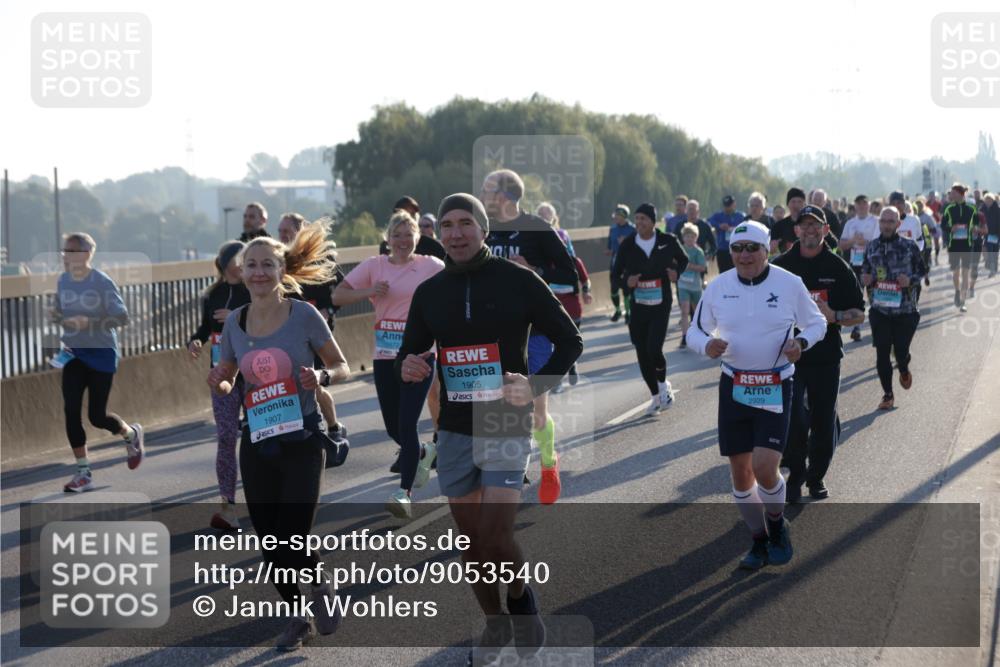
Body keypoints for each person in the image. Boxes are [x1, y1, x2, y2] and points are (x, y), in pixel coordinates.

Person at [396, 193, 582, 664]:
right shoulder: (430, 293)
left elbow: (569, 340)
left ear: (483, 229)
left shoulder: (518, 280)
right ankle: (495, 621)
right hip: (456, 428)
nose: (456, 233)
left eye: (466, 223)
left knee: (497, 536)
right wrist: (412, 367)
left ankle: (520, 598)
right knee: (472, 544)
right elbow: (411, 353)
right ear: (439, 233)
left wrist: (535, 384)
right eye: (448, 225)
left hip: (504, 420)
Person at [207, 220, 350, 651]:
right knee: (270, 545)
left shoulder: (303, 314)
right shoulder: (236, 321)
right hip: (258, 440)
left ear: (281, 268)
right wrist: (223, 381)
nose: (258, 272)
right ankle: (296, 616)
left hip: (302, 440)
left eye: (267, 264)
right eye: (251, 265)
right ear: (241, 271)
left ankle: (320, 580)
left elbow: (341, 366)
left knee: (293, 532)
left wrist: (319, 375)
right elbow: (232, 374)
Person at [687, 220, 827, 570]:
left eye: (752, 248)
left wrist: (802, 342)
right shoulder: (718, 287)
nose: (744, 255)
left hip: (775, 384)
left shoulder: (789, 283)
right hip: (734, 384)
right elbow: (694, 330)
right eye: (737, 249)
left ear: (767, 250)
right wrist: (707, 344)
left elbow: (817, 323)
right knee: (740, 472)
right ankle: (758, 541)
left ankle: (777, 524)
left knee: (765, 466)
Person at [333, 211, 445, 518]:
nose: (402, 240)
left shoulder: (431, 266)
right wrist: (369, 291)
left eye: (408, 234)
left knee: (407, 423)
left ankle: (403, 493)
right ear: (387, 239)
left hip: (420, 355)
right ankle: (421, 452)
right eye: (397, 235)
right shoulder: (374, 266)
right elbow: (338, 295)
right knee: (394, 428)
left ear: (417, 238)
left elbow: (452, 287)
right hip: (385, 356)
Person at [482, 169, 580, 505]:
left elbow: (569, 273)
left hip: (535, 333)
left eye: (487, 190)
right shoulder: (483, 229)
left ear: (505, 196)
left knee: (535, 411)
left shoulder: (538, 229)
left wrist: (534, 270)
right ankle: (508, 469)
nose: (482, 195)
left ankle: (549, 463)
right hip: (492, 334)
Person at [773, 206, 865, 502]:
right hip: (791, 357)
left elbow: (859, 314)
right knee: (794, 419)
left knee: (823, 421)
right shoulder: (780, 267)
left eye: (816, 226)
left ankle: (817, 477)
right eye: (804, 226)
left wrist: (833, 314)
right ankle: (795, 476)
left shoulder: (838, 268)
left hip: (826, 356)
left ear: (825, 230)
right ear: (796, 230)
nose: (810, 230)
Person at [54, 233, 145, 493]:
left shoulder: (102, 282)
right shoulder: (63, 281)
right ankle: (84, 473)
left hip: (102, 353)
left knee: (96, 416)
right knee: (70, 409)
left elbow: (121, 317)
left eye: (70, 251)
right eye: (64, 251)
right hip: (74, 353)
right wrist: (61, 318)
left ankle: (130, 435)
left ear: (85, 255)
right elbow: (62, 312)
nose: (65, 255)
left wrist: (89, 322)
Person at [187, 241, 251, 528]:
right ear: (225, 263)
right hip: (221, 372)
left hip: (253, 371)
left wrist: (236, 315)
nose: (245, 264)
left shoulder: (253, 290)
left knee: (257, 435)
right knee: (226, 436)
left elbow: (265, 321)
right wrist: (196, 340)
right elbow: (205, 327)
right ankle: (228, 507)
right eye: (240, 259)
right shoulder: (212, 294)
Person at [279, 213, 351, 463]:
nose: (282, 236)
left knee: (315, 384)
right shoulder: (279, 262)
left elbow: (341, 292)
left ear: (301, 232)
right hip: (289, 333)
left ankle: (332, 428)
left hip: (317, 333)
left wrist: (327, 310)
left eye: (287, 231)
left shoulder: (322, 260)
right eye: (279, 231)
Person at [611, 203, 688, 414]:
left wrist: (675, 272)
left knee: (654, 348)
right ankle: (655, 397)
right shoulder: (628, 245)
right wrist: (627, 281)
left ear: (653, 222)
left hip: (661, 303)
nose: (639, 223)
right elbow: (615, 275)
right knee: (642, 352)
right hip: (638, 306)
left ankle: (663, 385)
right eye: (636, 219)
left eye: (643, 219)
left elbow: (683, 259)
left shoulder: (667, 241)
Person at [861, 206, 927, 410]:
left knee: (900, 352)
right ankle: (887, 394)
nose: (887, 225)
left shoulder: (909, 246)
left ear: (898, 224)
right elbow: (864, 270)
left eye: (891, 221)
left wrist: (910, 280)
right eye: (883, 221)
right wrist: (866, 278)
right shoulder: (871, 247)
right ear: (879, 223)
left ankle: (904, 366)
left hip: (905, 310)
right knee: (882, 352)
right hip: (879, 310)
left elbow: (922, 271)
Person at [838, 195, 879, 342]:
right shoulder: (850, 223)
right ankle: (856, 328)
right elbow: (841, 245)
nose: (862, 206)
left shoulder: (875, 221)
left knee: (874, 297)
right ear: (855, 206)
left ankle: (877, 328)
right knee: (857, 297)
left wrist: (865, 242)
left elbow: (880, 243)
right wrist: (853, 241)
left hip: (872, 263)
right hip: (855, 263)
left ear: (868, 205)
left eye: (864, 204)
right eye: (859, 204)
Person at [940, 183, 980, 311]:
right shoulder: (948, 208)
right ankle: (957, 291)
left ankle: (963, 301)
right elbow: (943, 225)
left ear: (960, 194)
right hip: (954, 245)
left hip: (968, 245)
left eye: (953, 193)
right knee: (956, 272)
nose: (951, 195)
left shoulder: (972, 208)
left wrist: (974, 229)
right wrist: (951, 228)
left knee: (965, 273)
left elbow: (977, 223)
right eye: (951, 193)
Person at [379, 196, 447, 260]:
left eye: (413, 214)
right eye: (404, 214)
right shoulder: (386, 246)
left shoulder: (432, 246)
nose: (408, 218)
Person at [676, 223, 707, 348]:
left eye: (692, 236)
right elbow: (675, 263)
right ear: (683, 237)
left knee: (697, 312)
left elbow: (702, 268)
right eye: (687, 236)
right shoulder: (680, 249)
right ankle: (684, 336)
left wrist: (689, 266)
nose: (689, 239)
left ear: (696, 237)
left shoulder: (698, 251)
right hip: (683, 285)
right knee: (684, 311)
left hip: (695, 286)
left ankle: (700, 333)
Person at [606, 204, 636, 323]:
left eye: (618, 215)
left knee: (626, 290)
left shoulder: (633, 229)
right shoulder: (613, 229)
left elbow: (637, 245)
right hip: (615, 262)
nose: (615, 218)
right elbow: (609, 245)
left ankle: (628, 313)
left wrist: (626, 242)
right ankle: (618, 310)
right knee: (613, 288)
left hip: (628, 262)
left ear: (624, 216)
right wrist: (609, 250)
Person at [708, 195, 746, 273]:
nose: (727, 208)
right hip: (722, 249)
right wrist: (719, 226)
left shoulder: (740, 216)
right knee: (723, 273)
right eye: (725, 206)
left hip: (737, 249)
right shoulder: (718, 215)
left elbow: (746, 228)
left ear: (734, 204)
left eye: (729, 205)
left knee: (738, 272)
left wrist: (736, 229)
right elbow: (709, 221)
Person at [771, 188, 807, 254]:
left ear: (804, 204)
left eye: (800, 202)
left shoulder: (810, 225)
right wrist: (772, 248)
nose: (796, 205)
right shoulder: (778, 226)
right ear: (788, 204)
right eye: (793, 201)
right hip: (783, 263)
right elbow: (771, 252)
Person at [983, 192, 1000, 277]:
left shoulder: (997, 209)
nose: (988, 202)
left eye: (989, 200)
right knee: (989, 251)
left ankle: (994, 268)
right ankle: (992, 269)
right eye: (986, 200)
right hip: (987, 234)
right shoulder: (982, 209)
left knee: (995, 251)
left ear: (993, 201)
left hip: (996, 234)